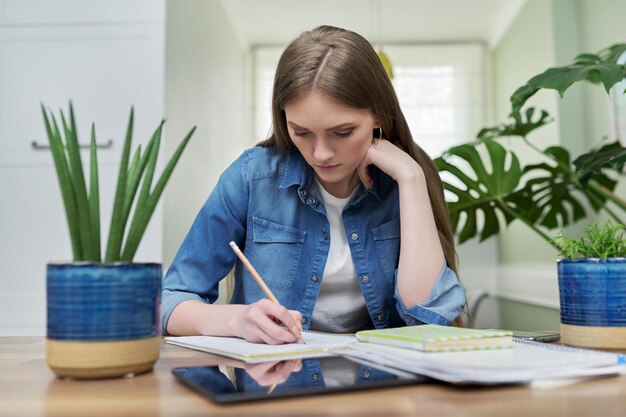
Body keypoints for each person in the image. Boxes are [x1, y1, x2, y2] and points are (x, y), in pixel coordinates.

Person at [162, 25, 465, 345]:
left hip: (386, 389)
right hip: (278, 388)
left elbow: (427, 315)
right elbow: (170, 301)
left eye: (343, 132)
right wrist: (237, 319)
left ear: (378, 116)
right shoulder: (251, 178)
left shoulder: (408, 178)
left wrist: (412, 178)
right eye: (301, 132)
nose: (320, 153)